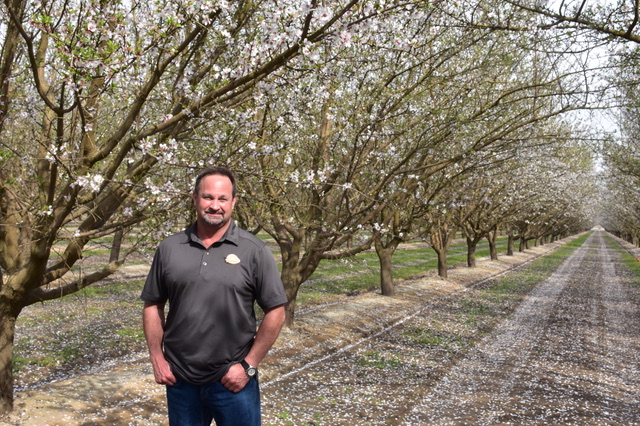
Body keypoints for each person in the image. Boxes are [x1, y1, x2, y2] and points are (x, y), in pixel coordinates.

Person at [141, 166, 287, 426]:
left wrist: (248, 366)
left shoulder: (254, 250)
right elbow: (153, 303)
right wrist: (157, 357)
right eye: (208, 197)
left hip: (232, 380)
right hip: (181, 380)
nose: (215, 205)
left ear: (234, 202)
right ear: (195, 198)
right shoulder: (169, 248)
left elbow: (276, 311)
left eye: (222, 199)